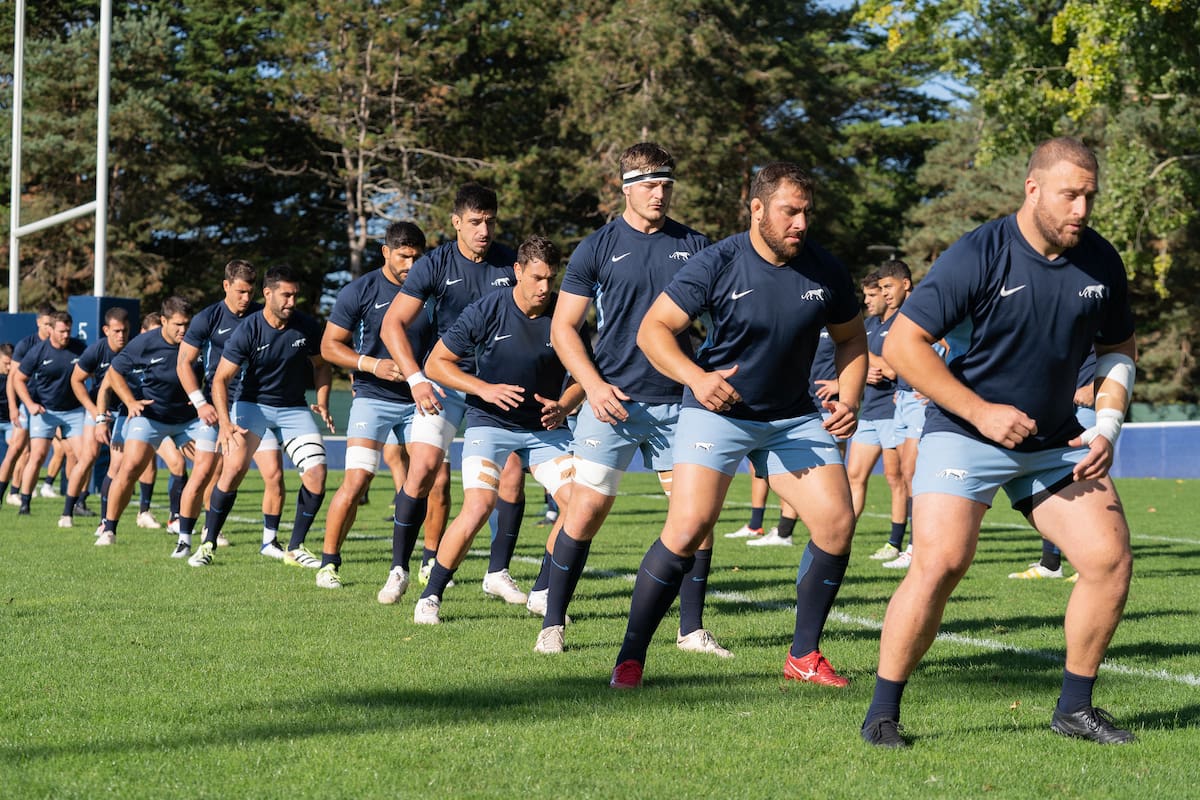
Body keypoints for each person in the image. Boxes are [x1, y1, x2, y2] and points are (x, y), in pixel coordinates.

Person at [861, 137, 1138, 747]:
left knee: (1109, 560)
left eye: (1091, 196)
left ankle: (1075, 708)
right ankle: (882, 712)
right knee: (941, 564)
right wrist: (981, 413)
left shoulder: (1101, 261)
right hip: (966, 431)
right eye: (1071, 195)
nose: (1082, 210)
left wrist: (1108, 427)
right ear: (1033, 189)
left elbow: (1118, 348)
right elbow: (904, 347)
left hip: (1057, 438)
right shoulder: (979, 254)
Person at [609, 161, 868, 689]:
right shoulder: (717, 262)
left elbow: (851, 337)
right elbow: (653, 329)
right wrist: (695, 378)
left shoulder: (825, 269)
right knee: (686, 529)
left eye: (806, 213)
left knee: (838, 524)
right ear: (756, 209)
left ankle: (803, 655)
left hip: (793, 418)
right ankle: (630, 658)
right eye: (788, 212)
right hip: (716, 412)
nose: (800, 223)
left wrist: (850, 394)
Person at [540, 142, 725, 656]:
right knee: (583, 513)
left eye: (666, 183)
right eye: (648, 183)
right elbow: (564, 328)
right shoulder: (595, 247)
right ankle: (552, 624)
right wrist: (593, 388)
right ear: (624, 187)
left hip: (681, 406)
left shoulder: (698, 246)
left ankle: (691, 630)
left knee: (697, 519)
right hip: (612, 404)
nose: (659, 192)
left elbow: (726, 319)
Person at [412, 236, 580, 632]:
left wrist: (565, 405)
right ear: (517, 272)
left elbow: (582, 376)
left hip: (545, 429)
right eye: (536, 277)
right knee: (478, 506)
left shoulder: (565, 314)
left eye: (550, 279)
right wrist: (483, 388)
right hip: (490, 424)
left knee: (578, 505)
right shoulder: (486, 309)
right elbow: (435, 364)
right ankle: (430, 596)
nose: (544, 287)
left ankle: (542, 591)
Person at [379, 182, 527, 607]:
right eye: (475, 222)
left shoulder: (510, 262)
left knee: (512, 478)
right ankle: (399, 568)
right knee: (423, 469)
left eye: (491, 222)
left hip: (498, 386)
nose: (484, 230)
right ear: (456, 222)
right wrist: (415, 379)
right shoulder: (434, 264)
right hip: (444, 381)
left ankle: (497, 572)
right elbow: (393, 325)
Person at [317, 221, 451, 589]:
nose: (411, 263)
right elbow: (330, 347)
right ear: (385, 253)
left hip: (421, 396)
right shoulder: (359, 290)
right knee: (357, 480)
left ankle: (429, 562)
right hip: (373, 398)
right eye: (403, 256)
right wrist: (372, 364)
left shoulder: (433, 292)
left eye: (416, 256)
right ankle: (329, 563)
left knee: (438, 481)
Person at [187, 264, 334, 567]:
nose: (291, 303)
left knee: (317, 475)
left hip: (294, 409)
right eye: (285, 296)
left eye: (295, 296)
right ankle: (208, 543)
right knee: (234, 470)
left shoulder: (306, 326)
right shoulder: (249, 329)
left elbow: (322, 364)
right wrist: (226, 424)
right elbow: (220, 379)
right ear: (267, 294)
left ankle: (295, 547)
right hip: (252, 406)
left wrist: (322, 399)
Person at [175, 260, 288, 558]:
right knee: (202, 472)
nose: (246, 298)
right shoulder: (208, 318)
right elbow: (184, 362)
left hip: (255, 405)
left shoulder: (261, 315)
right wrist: (201, 403)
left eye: (250, 292)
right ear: (226, 286)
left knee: (274, 473)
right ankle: (184, 540)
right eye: (240, 291)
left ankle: (269, 542)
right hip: (217, 405)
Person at [93, 298, 207, 546]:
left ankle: (209, 530)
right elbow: (113, 373)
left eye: (187, 324)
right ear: (164, 321)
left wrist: (203, 398)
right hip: (152, 417)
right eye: (178, 324)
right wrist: (130, 402)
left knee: (210, 467)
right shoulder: (145, 343)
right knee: (130, 466)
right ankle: (109, 528)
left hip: (189, 419)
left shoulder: (198, 340)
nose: (183, 330)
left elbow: (215, 372)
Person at [1008, 351, 1097, 584]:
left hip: (1088, 404)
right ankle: (1050, 563)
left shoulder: (1102, 314)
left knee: (1081, 481)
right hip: (1057, 403)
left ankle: (1089, 563)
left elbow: (1128, 355)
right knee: (1051, 483)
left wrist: (1094, 387)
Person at [844, 269, 910, 560]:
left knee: (896, 479)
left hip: (892, 411)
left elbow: (894, 368)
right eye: (871, 293)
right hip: (869, 411)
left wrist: (868, 357)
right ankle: (842, 537)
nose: (872, 299)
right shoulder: (868, 325)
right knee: (854, 475)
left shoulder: (903, 322)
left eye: (878, 292)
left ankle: (894, 543)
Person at [10, 311, 90, 526]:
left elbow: (92, 373)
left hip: (73, 412)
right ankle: (25, 502)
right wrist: (29, 404)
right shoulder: (38, 351)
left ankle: (79, 503)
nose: (66, 335)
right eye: (61, 331)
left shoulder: (79, 348)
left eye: (68, 331)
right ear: (51, 330)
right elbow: (18, 379)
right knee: (37, 456)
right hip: (45, 412)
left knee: (85, 456)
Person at [3, 305, 54, 509]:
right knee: (17, 449)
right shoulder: (27, 345)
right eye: (47, 324)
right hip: (27, 404)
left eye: (53, 325)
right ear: (39, 323)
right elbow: (12, 380)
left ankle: (18, 492)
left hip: (50, 407)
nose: (50, 329)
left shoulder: (59, 345)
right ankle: (5, 492)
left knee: (41, 452)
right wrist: (14, 407)